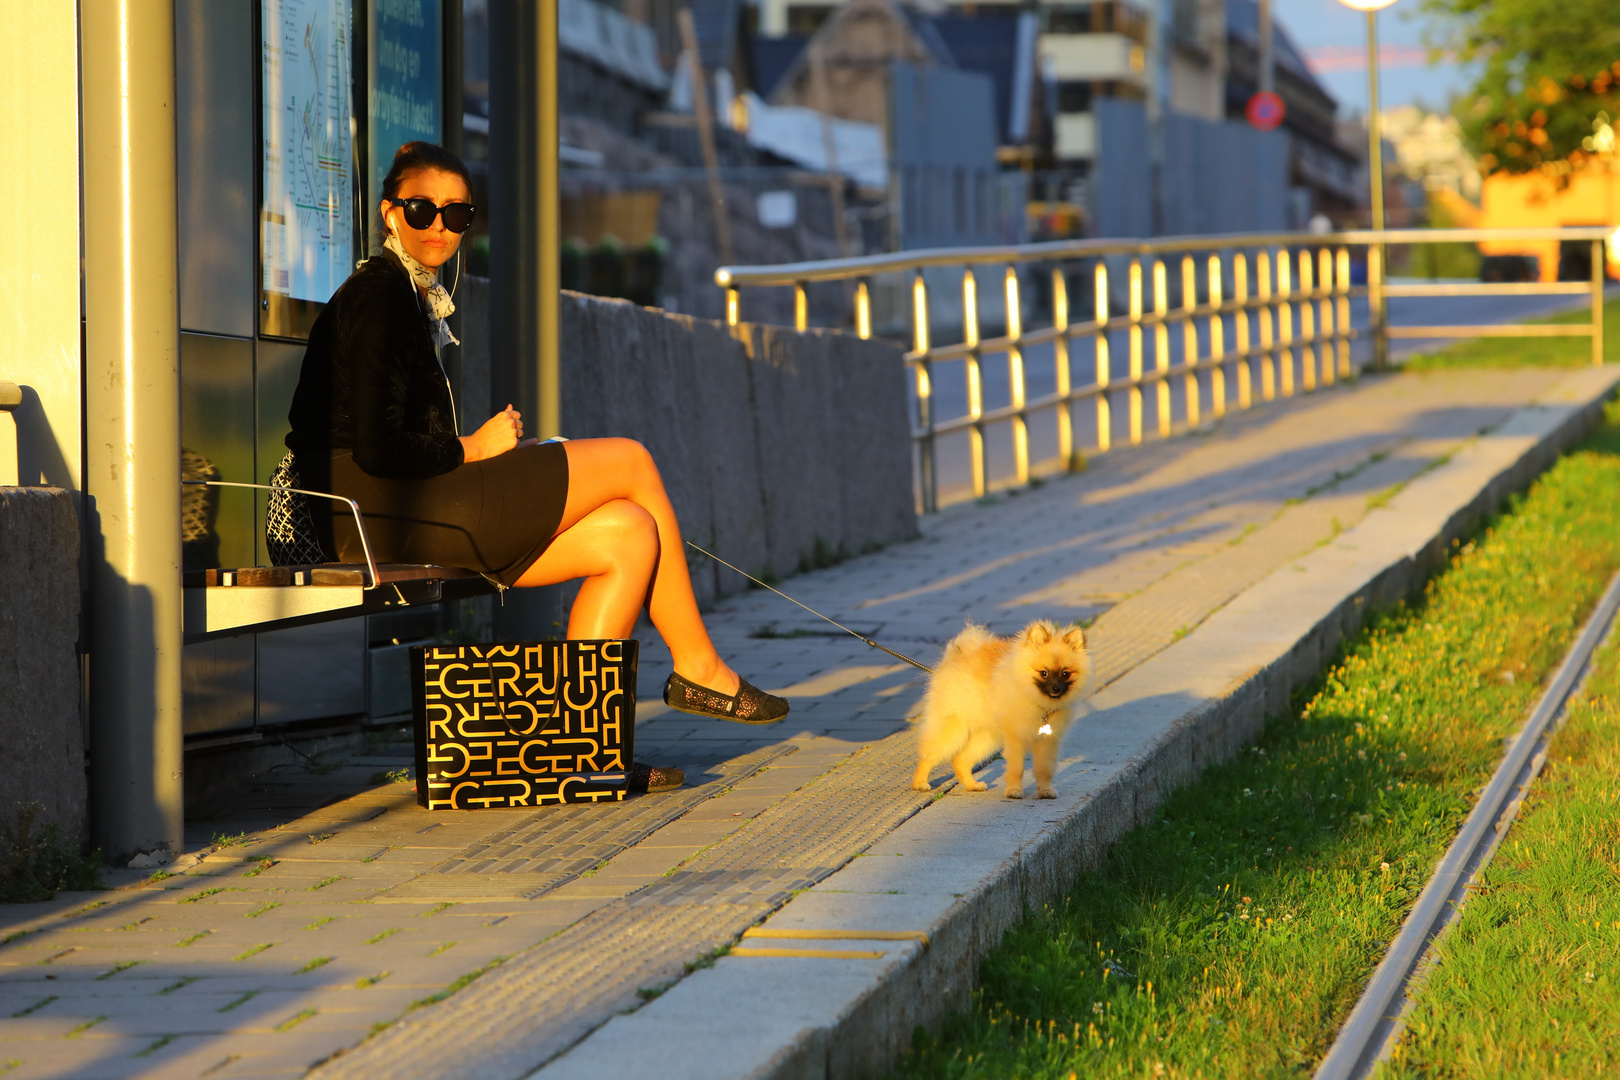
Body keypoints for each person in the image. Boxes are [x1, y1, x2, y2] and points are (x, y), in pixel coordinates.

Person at [284, 141, 788, 792]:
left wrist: (476, 453)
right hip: (376, 516)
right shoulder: (379, 296)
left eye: (458, 216)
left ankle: (585, 747)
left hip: (397, 509)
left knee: (630, 532)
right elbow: (378, 451)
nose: (440, 226)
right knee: (631, 460)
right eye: (422, 210)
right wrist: (474, 449)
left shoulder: (405, 296)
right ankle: (698, 666)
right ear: (390, 213)